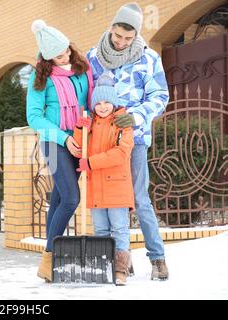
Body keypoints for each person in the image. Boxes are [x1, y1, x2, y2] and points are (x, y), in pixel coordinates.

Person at [86, 2, 170, 280]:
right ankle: (120, 257)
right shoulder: (93, 58)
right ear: (111, 28)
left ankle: (157, 259)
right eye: (118, 36)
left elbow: (160, 96)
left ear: (135, 35)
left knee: (139, 199)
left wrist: (135, 116)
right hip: (101, 143)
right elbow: (87, 97)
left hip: (134, 140)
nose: (121, 43)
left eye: (128, 38)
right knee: (106, 202)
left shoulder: (149, 59)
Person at [26, 19, 93, 282]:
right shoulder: (40, 77)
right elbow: (34, 117)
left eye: (65, 50)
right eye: (57, 55)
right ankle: (50, 255)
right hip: (55, 142)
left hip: (79, 139)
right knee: (71, 199)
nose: (64, 56)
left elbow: (89, 101)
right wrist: (63, 140)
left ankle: (50, 262)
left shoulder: (83, 69)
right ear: (46, 57)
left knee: (59, 198)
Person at [74, 74, 134, 286]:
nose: (102, 106)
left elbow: (121, 154)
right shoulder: (90, 125)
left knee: (118, 229)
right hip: (95, 188)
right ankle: (106, 265)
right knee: (100, 230)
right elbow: (79, 150)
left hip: (117, 186)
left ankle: (120, 269)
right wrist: (80, 130)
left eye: (107, 101)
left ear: (114, 102)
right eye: (98, 103)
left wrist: (90, 163)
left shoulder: (122, 124)